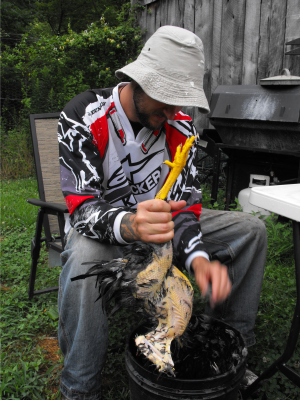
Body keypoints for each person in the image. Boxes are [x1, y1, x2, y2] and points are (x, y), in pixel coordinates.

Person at [57, 25, 267, 399]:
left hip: (164, 230)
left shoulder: (181, 128)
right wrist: (131, 224)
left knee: (250, 229)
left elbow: (186, 206)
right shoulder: (84, 116)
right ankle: (79, 386)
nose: (173, 110)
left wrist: (199, 259)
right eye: (164, 98)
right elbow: (82, 207)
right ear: (137, 81)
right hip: (109, 233)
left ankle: (230, 349)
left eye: (181, 100)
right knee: (85, 254)